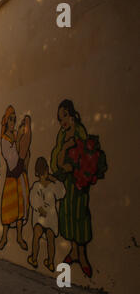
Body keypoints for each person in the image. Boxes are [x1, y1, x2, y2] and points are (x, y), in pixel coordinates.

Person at [50, 99, 95, 277]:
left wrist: (72, 166)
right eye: (61, 119)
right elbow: (57, 160)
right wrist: (65, 150)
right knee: (68, 215)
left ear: (72, 115)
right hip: (67, 184)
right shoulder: (62, 136)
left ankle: (82, 255)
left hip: (79, 183)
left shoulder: (79, 132)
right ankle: (74, 251)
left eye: (65, 116)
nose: (63, 122)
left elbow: (86, 156)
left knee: (80, 216)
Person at [0, 106, 31, 251]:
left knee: (20, 209)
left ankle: (19, 236)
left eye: (14, 119)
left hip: (20, 177)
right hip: (12, 177)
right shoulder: (4, 140)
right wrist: (19, 145)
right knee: (8, 209)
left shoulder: (16, 135)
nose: (13, 122)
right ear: (6, 121)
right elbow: (12, 159)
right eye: (11, 119)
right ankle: (4, 236)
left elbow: (22, 151)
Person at [27, 157, 66, 272]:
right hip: (51, 219)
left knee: (36, 236)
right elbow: (62, 192)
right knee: (51, 240)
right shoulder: (52, 186)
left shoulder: (36, 186)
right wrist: (54, 179)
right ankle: (50, 262)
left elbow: (33, 200)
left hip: (40, 218)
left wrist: (40, 208)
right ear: (47, 170)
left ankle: (34, 258)